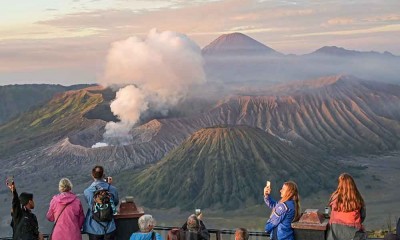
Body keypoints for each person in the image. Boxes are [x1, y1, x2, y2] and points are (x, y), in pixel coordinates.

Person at [326, 173, 366, 240]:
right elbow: (363, 216)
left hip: (334, 234)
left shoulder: (333, 198)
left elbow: (329, 213)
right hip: (353, 234)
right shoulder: (358, 199)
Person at [83, 165, 119, 240]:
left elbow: (91, 205)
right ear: (103, 175)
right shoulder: (112, 189)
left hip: (93, 228)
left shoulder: (87, 191)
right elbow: (115, 203)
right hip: (109, 227)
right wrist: (109, 185)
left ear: (92, 175)